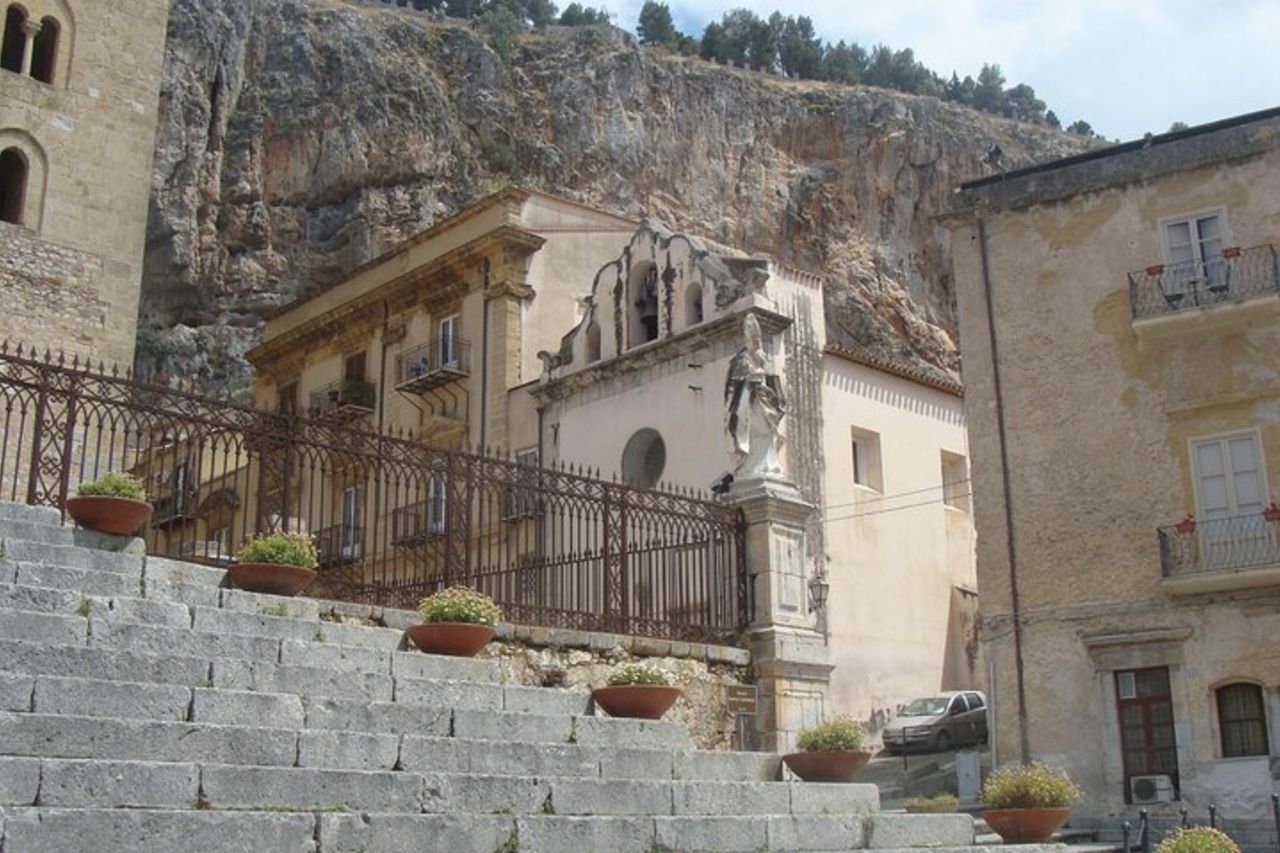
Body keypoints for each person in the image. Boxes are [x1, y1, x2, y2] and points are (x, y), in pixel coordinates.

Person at [724, 314, 787, 478]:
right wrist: (752, 380)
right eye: (751, 334)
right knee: (757, 433)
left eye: (756, 335)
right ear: (746, 338)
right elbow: (733, 389)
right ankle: (752, 465)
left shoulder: (763, 358)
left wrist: (765, 367)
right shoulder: (740, 361)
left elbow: (775, 385)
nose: (755, 339)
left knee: (767, 433)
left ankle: (768, 464)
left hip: (765, 403)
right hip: (749, 404)